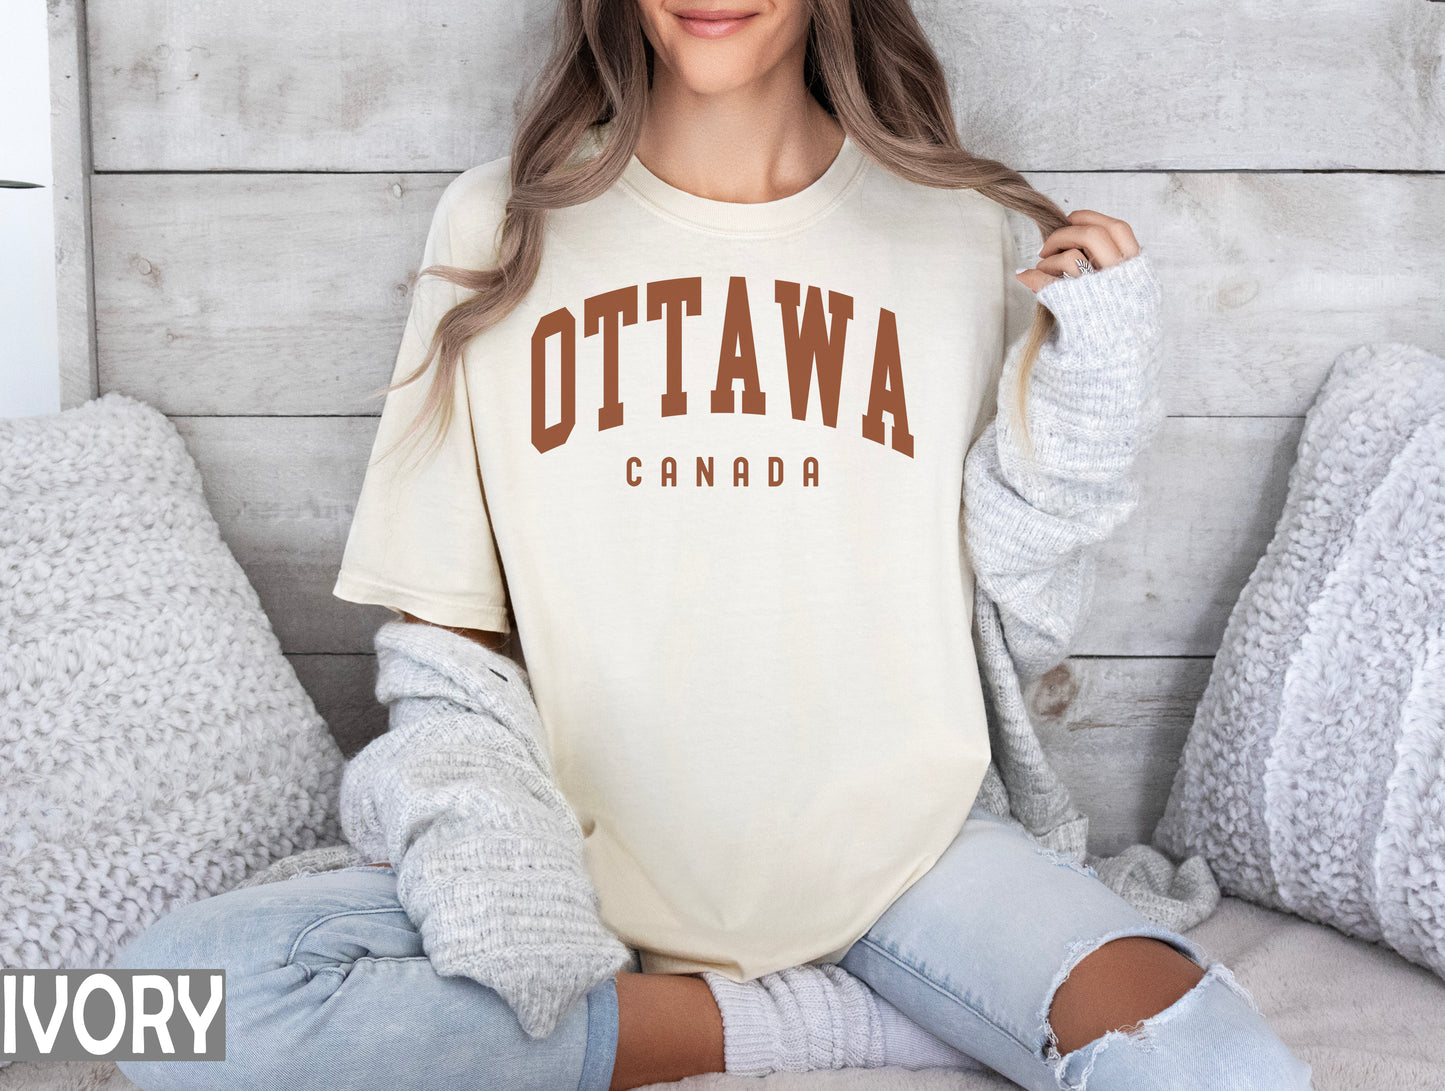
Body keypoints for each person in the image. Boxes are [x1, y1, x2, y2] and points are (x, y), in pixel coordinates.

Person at [113, 1, 1315, 1089]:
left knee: (1221, 1066)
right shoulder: (499, 223)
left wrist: (1094, 406)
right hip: (578, 866)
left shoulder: (966, 230)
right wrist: (493, 871)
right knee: (133, 1014)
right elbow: (444, 631)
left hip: (909, 863)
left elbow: (1020, 586)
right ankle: (824, 1019)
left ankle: (819, 997)